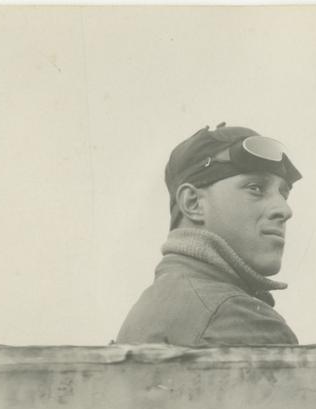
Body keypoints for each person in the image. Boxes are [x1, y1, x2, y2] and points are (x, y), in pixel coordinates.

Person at [116, 123, 302, 346]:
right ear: (193, 203)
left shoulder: (151, 304)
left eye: (284, 194)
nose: (284, 210)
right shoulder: (237, 318)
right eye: (256, 188)